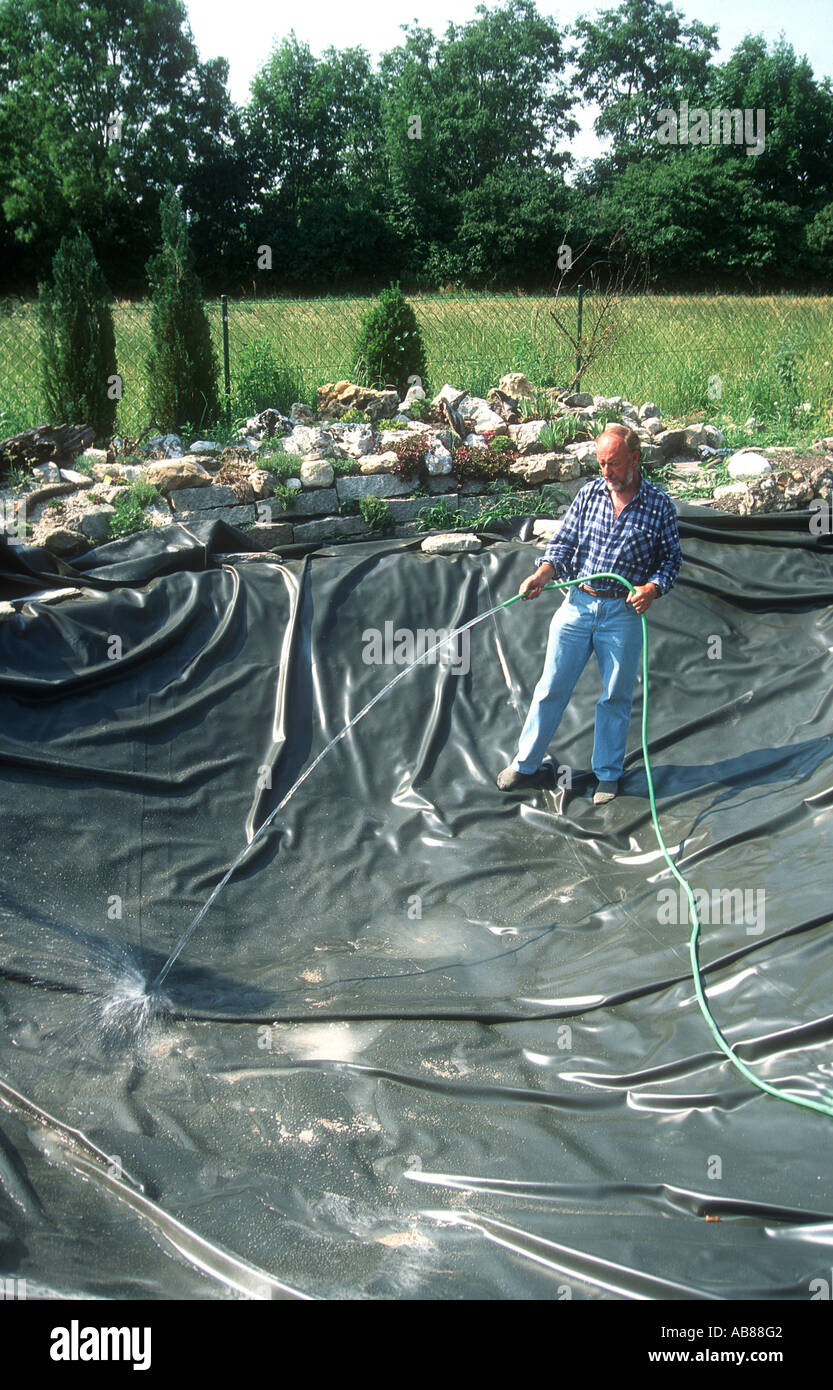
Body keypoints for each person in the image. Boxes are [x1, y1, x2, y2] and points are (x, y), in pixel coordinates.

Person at [497, 422, 682, 804]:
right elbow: (564, 544)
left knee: (615, 696)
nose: (606, 472)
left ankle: (608, 775)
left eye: (612, 464)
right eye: (600, 464)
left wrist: (652, 588)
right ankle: (527, 763)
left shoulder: (660, 506)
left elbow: (670, 562)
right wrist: (542, 573)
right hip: (578, 604)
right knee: (551, 687)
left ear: (635, 458)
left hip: (623, 614)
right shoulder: (589, 494)